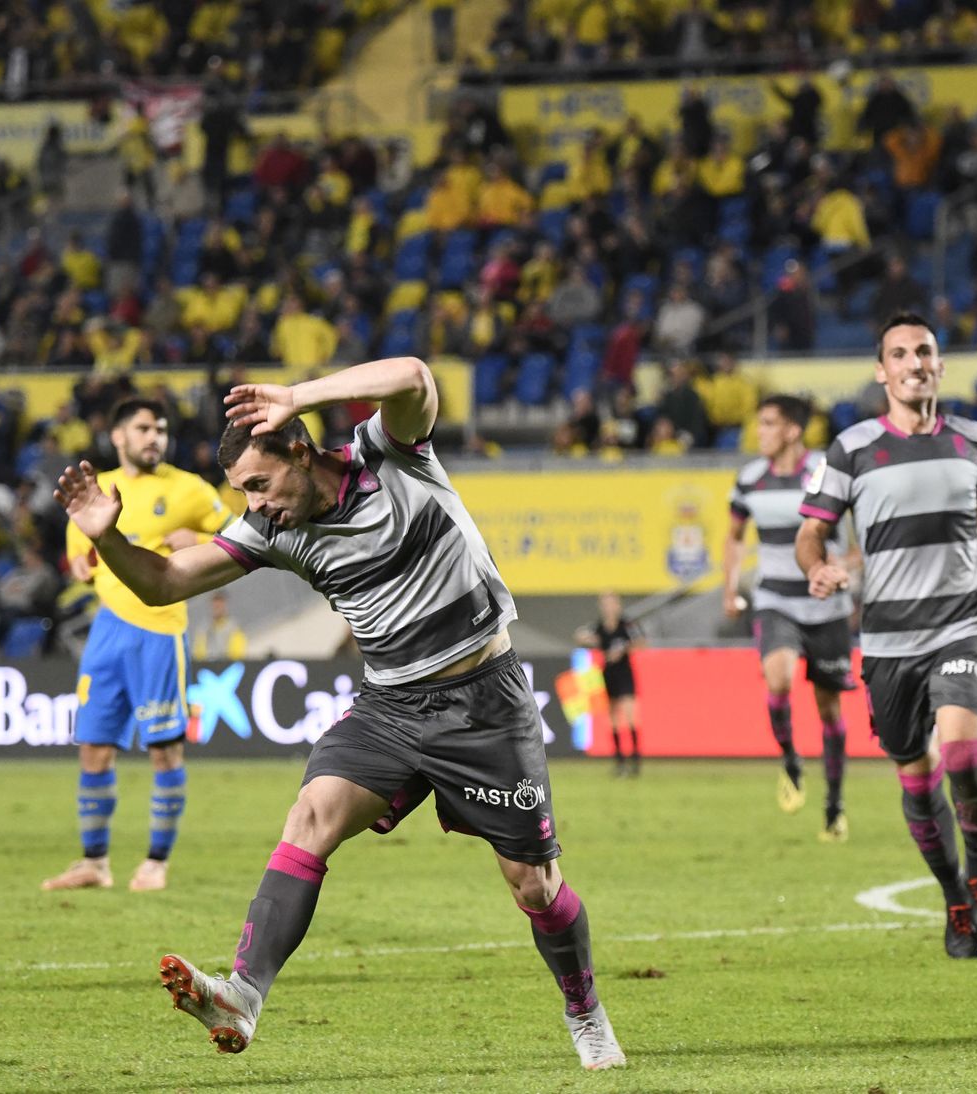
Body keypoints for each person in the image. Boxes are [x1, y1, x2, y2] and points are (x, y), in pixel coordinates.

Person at [54, 356, 626, 1070]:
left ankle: (585, 1011)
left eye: (259, 484)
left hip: (484, 703)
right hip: (390, 706)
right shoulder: (272, 533)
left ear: (300, 449)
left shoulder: (389, 454)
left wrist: (300, 394)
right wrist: (108, 539)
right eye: (242, 492)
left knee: (533, 885)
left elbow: (415, 375)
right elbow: (168, 580)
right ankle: (243, 994)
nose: (255, 504)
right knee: (310, 816)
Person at [796, 312, 977, 959]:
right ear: (882, 371)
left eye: (924, 352)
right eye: (900, 354)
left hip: (961, 624)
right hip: (887, 643)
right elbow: (812, 529)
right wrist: (817, 565)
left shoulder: (971, 438)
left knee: (963, 757)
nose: (913, 363)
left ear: (939, 365)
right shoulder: (851, 448)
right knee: (916, 777)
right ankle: (954, 898)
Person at [42, 398, 228, 894]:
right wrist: (79, 564)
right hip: (107, 631)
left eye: (161, 429)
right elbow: (81, 553)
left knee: (164, 752)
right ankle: (94, 863)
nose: (155, 437)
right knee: (95, 750)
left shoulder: (189, 488)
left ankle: (155, 863)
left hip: (160, 629)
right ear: (118, 436)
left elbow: (241, 537)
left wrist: (203, 543)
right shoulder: (95, 489)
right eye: (144, 428)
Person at [723, 395, 857, 840]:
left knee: (829, 710)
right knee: (777, 678)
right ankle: (790, 759)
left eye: (768, 424)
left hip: (827, 607)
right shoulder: (750, 479)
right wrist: (730, 586)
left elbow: (860, 541)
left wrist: (843, 569)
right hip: (774, 599)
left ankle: (834, 805)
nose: (758, 432)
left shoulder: (827, 472)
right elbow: (734, 537)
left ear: (793, 430)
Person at [574, 592, 643, 777]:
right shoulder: (599, 627)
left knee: (630, 715)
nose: (609, 607)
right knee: (612, 717)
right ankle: (620, 760)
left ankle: (635, 759)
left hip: (624, 673)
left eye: (612, 603)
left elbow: (641, 641)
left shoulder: (626, 625)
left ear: (618, 605)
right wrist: (591, 641)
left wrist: (623, 650)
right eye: (605, 604)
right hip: (608, 673)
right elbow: (580, 636)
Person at [192, 589, 248, 661]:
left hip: (226, 667)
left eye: (220, 601)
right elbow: (198, 654)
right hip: (206, 667)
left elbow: (237, 654)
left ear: (226, 604)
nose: (217, 605)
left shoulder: (234, 628)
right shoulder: (204, 628)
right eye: (215, 601)